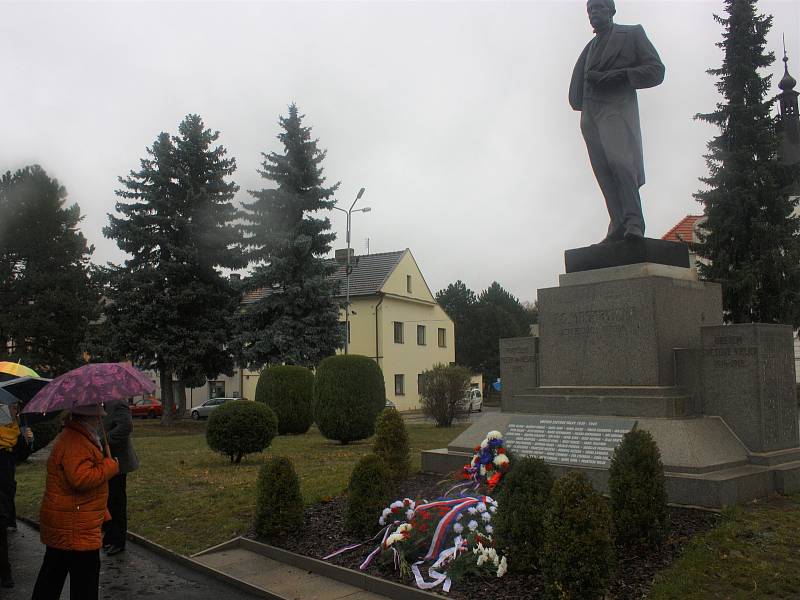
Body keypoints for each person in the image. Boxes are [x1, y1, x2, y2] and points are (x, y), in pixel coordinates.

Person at [568, 0, 665, 242]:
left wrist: (618, 76)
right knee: (603, 171)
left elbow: (656, 70)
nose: (593, 13)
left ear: (612, 10)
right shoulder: (589, 47)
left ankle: (634, 222)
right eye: (590, 10)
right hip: (590, 115)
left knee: (621, 163)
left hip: (616, 109)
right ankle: (618, 223)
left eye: (599, 8)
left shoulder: (631, 34)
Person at [31, 404, 119, 600]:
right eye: (97, 417)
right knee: (83, 583)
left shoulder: (76, 436)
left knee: (52, 576)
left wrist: (101, 513)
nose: (99, 421)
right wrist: (109, 467)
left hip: (70, 521)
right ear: (87, 418)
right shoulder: (76, 441)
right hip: (75, 527)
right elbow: (80, 479)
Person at [0, 403, 33, 588]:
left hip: (6, 485)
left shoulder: (14, 430)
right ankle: (5, 572)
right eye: (12, 408)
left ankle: (5, 572)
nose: (15, 410)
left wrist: (27, 440)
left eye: (15, 407)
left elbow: (21, 456)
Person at [102, 400, 138, 555]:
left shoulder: (117, 403)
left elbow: (126, 427)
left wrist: (105, 440)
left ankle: (118, 541)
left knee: (116, 502)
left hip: (118, 462)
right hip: (104, 462)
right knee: (107, 500)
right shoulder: (100, 404)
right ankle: (109, 537)